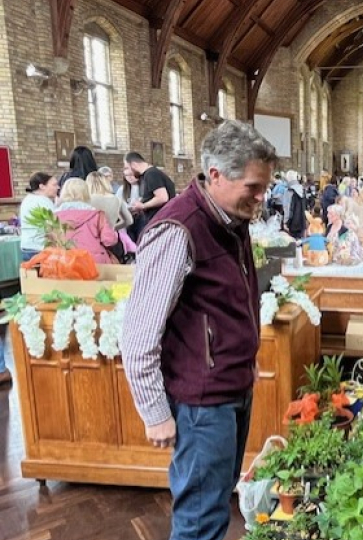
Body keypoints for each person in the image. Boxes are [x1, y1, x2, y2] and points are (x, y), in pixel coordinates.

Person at [122, 120, 276, 540]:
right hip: (200, 404)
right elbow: (138, 333)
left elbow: (227, 305)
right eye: (253, 187)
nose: (261, 198)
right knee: (200, 520)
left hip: (230, 392)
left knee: (216, 501)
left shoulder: (230, 217)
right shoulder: (179, 228)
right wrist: (154, 413)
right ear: (215, 175)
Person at [56, 179, 121, 264]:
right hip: (93, 261)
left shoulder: (53, 216)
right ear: (86, 192)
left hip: (63, 260)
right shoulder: (97, 215)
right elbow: (109, 240)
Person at [124, 151, 176, 224]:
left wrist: (143, 206)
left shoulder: (151, 174)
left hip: (161, 220)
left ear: (134, 165)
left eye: (127, 168)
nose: (128, 172)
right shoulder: (146, 175)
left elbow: (162, 197)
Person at [19, 172, 59, 261]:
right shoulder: (44, 201)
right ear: (42, 186)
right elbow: (53, 226)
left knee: (31, 274)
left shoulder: (27, 199)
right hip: (40, 248)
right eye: (54, 185)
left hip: (27, 246)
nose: (58, 187)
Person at [281, 170, 306, 239]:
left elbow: (287, 208)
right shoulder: (302, 190)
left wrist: (285, 222)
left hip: (291, 223)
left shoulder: (289, 191)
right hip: (302, 222)